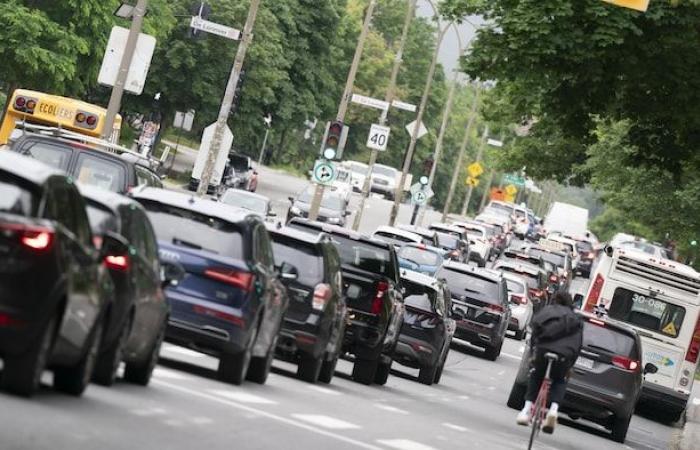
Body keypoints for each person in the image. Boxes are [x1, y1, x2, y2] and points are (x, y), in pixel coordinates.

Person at [516, 291, 583, 433]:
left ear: (555, 300)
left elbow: (535, 334)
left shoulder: (546, 312)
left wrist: (533, 354)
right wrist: (570, 365)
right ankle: (553, 410)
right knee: (560, 380)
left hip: (543, 350)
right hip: (565, 355)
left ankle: (526, 409)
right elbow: (577, 345)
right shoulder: (575, 319)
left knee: (536, 375)